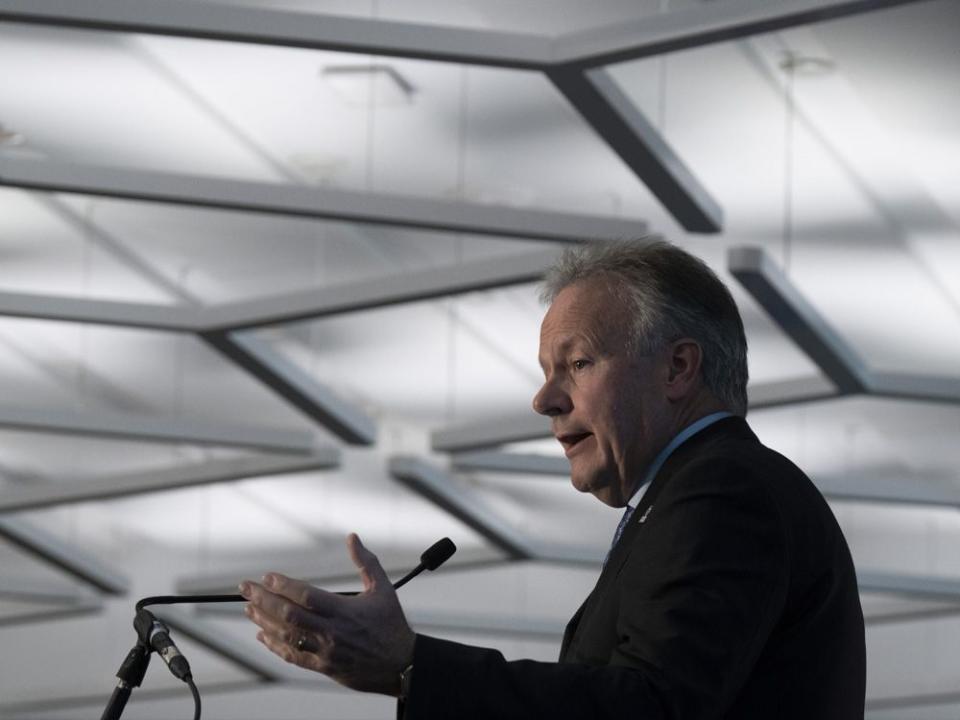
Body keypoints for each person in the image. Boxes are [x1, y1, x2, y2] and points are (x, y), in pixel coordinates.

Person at [239, 240, 866, 718]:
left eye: (578, 363)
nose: (544, 400)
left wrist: (412, 665)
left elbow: (653, 707)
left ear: (677, 367)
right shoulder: (694, 494)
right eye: (546, 370)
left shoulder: (724, 489)